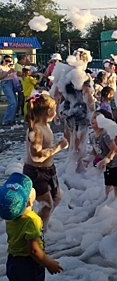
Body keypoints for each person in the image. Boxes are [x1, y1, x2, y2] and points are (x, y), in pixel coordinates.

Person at [0, 173, 63, 281]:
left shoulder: (11, 216)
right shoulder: (31, 220)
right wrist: (49, 263)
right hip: (28, 265)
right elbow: (34, 251)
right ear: (28, 202)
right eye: (31, 190)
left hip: (13, 261)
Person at [22, 93, 68, 232]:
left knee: (57, 198)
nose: (56, 111)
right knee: (47, 205)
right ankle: (37, 232)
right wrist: (58, 147)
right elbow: (36, 156)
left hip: (48, 170)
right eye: (55, 108)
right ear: (49, 112)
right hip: (36, 172)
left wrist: (55, 144)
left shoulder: (45, 126)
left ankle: (41, 224)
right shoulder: (36, 130)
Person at [52, 48, 94, 174]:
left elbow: (56, 94)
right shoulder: (82, 76)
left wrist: (56, 111)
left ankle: (72, 169)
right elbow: (87, 96)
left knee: (72, 141)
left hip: (68, 110)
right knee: (79, 143)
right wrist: (93, 112)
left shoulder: (65, 75)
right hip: (80, 111)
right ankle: (75, 171)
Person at [88, 110, 117, 197]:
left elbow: (114, 150)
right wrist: (88, 158)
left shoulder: (105, 134)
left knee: (116, 184)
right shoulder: (92, 136)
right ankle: (107, 198)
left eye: (96, 118)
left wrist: (105, 160)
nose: (93, 119)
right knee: (107, 183)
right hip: (108, 164)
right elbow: (94, 150)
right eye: (93, 117)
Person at [1, 55, 19, 125]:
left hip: (12, 83)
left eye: (9, 61)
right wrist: (7, 73)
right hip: (6, 83)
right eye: (7, 61)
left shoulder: (9, 67)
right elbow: (0, 77)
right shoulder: (1, 67)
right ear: (3, 60)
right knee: (12, 102)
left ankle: (11, 119)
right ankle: (6, 120)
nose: (8, 62)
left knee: (15, 101)